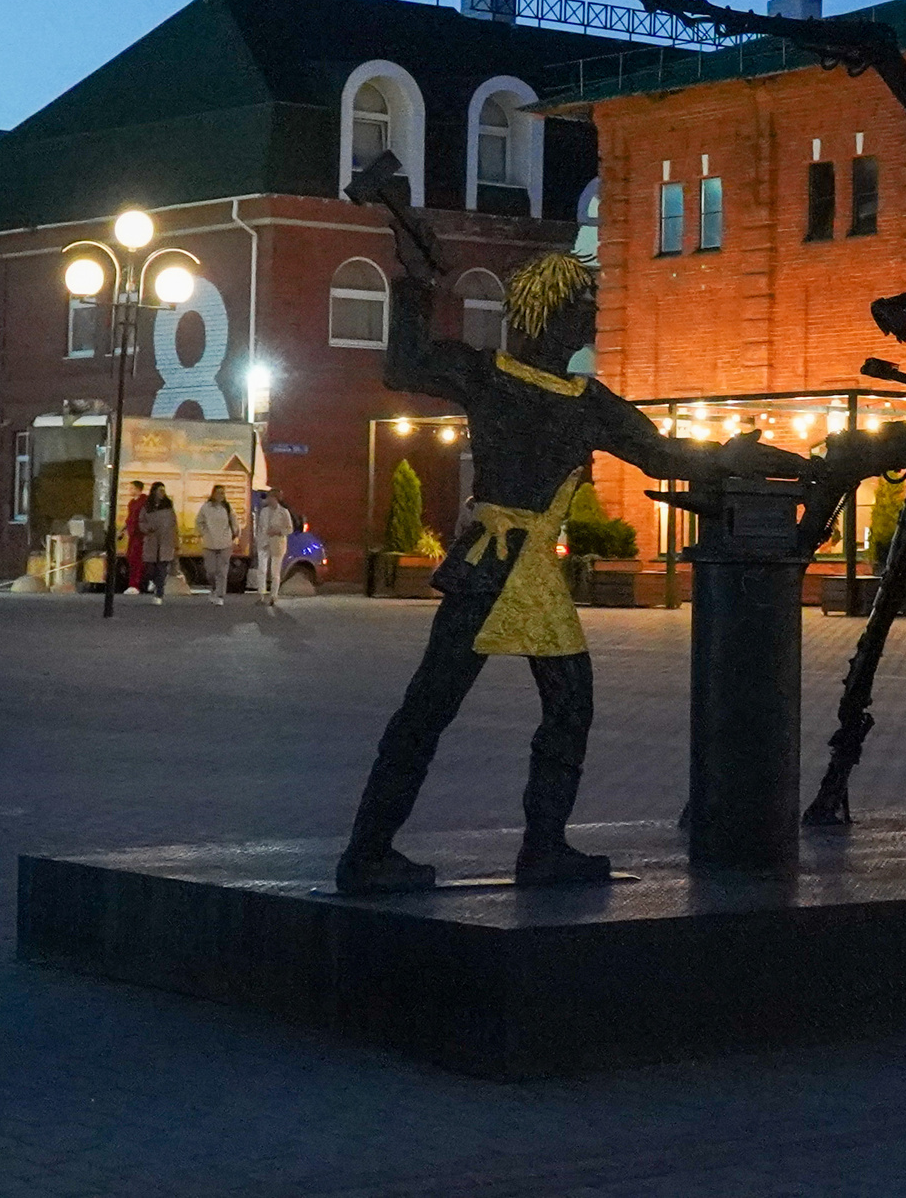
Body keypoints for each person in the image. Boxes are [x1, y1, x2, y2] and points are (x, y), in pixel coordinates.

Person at [335, 182, 803, 893]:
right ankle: (388, 851)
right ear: (552, 316)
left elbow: (669, 456)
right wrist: (415, 280)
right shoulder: (526, 387)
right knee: (451, 707)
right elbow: (404, 364)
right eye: (582, 311)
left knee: (510, 704)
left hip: (504, 572)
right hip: (499, 568)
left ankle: (524, 847)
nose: (590, 323)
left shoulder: (522, 386)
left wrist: (732, 455)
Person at [255, 490, 297, 609]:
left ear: (275, 498)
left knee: (275, 572)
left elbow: (290, 529)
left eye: (270, 497)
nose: (268, 500)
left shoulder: (284, 512)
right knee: (262, 570)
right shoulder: (264, 511)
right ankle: (261, 594)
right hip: (263, 543)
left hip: (277, 544)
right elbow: (260, 527)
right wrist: (258, 539)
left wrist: (278, 531)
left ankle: (273, 595)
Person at [197, 485, 238, 606]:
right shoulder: (206, 507)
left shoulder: (227, 507)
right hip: (209, 543)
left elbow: (234, 522)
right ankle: (213, 588)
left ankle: (220, 595)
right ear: (213, 494)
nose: (221, 495)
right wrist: (204, 532)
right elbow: (199, 522)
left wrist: (234, 534)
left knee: (222, 570)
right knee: (211, 571)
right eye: (219, 493)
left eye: (223, 493)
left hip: (225, 543)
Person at [141, 483, 177, 604]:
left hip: (166, 540)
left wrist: (176, 540)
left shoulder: (168, 505)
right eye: (160, 490)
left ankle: (159, 594)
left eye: (163, 490)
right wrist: (147, 528)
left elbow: (174, 523)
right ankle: (154, 582)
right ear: (154, 491)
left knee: (162, 568)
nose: (162, 493)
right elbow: (141, 522)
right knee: (150, 568)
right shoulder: (147, 506)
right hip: (151, 540)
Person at [121, 486, 147, 596]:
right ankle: (134, 584)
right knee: (132, 559)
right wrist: (123, 529)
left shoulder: (144, 502)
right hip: (133, 534)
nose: (130, 490)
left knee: (138, 560)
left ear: (138, 489)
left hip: (140, 535)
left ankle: (136, 584)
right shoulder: (132, 503)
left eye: (132, 488)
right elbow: (129, 518)